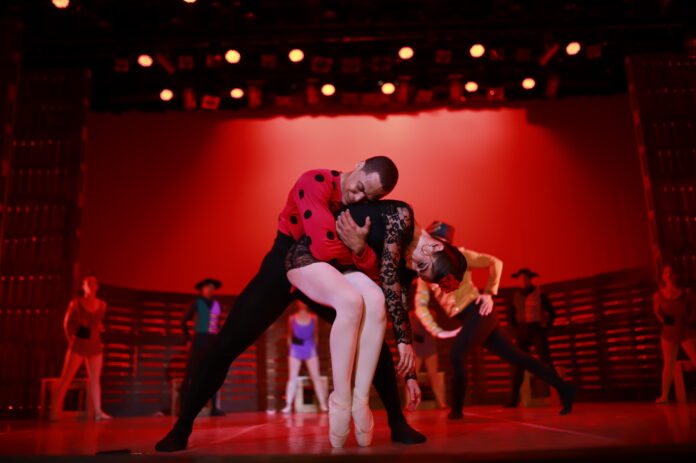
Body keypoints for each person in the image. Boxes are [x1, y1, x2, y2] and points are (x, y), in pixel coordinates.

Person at [156, 157, 426, 452]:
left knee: (369, 334)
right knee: (226, 344)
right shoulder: (316, 181)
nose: (359, 198)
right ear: (359, 165)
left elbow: (372, 270)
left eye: (369, 198)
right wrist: (359, 250)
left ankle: (397, 422)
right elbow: (323, 246)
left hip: (328, 272)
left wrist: (361, 250)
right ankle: (181, 428)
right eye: (360, 188)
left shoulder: (362, 205)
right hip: (285, 264)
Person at [285, 202, 468, 446]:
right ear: (435, 245)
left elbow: (400, 304)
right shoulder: (402, 218)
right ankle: (340, 399)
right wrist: (403, 342)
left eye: (420, 270)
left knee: (375, 298)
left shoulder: (408, 262)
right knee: (352, 302)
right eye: (422, 265)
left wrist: (410, 375)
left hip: (343, 267)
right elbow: (389, 276)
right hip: (311, 256)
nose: (415, 267)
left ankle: (360, 401)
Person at [414, 244, 577, 420]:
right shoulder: (425, 274)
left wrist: (489, 292)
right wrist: (436, 331)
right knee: (518, 357)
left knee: (456, 354)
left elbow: (495, 262)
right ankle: (564, 388)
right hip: (472, 318)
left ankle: (457, 410)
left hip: (479, 312)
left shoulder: (459, 256)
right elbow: (420, 305)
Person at [411, 221, 461, 410]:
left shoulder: (431, 311)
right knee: (412, 376)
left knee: (434, 374)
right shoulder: (412, 313)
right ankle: (410, 402)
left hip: (429, 347)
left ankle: (441, 401)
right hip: (417, 348)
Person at [51, 274, 111, 421]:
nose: (91, 285)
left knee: (95, 379)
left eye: (94, 282)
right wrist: (71, 339)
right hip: (80, 339)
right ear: (83, 286)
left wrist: (99, 330)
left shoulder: (102, 305)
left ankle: (98, 412)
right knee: (66, 378)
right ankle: (54, 412)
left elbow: (97, 323)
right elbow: (67, 323)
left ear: (97, 286)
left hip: (94, 341)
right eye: (88, 283)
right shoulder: (77, 303)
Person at [504, 268, 557, 408]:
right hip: (522, 331)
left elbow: (552, 312)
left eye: (526, 277)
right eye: (521, 278)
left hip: (536, 329)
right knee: (518, 365)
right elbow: (510, 315)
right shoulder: (515, 296)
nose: (523, 280)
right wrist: (516, 331)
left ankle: (562, 392)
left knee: (546, 360)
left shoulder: (540, 294)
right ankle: (514, 399)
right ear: (518, 280)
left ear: (530, 279)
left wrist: (546, 328)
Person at [180, 278, 225, 417]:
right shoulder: (196, 303)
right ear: (202, 289)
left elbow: (217, 324)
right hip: (198, 340)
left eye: (212, 287)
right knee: (190, 374)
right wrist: (188, 339)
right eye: (207, 287)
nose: (210, 289)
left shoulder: (216, 304)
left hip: (212, 342)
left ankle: (214, 408)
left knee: (212, 374)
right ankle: (184, 407)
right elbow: (183, 322)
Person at [653, 263, 696, 404]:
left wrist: (687, 320)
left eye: (671, 272)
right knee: (668, 364)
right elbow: (658, 313)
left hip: (685, 329)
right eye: (666, 273)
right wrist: (669, 322)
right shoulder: (659, 295)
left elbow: (694, 310)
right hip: (669, 330)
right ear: (663, 276)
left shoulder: (687, 293)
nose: (669, 275)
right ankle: (664, 395)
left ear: (677, 275)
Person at [280, 300, 329, 413]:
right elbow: (289, 336)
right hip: (295, 348)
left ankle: (323, 404)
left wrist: (314, 350)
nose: (302, 303)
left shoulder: (314, 318)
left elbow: (315, 336)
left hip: (310, 347)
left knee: (316, 377)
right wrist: (290, 351)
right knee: (292, 378)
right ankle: (288, 405)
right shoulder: (292, 318)